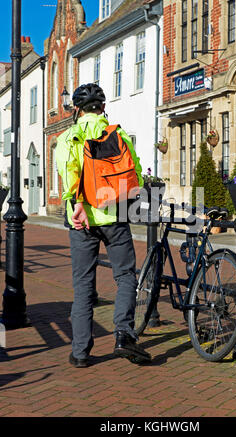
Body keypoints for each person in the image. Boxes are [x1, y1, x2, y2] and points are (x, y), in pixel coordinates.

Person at [56, 83, 151, 368]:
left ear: (76, 110)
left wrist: (77, 204)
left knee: (83, 284)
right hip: (115, 215)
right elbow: (135, 173)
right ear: (103, 108)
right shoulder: (118, 133)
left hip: (81, 219)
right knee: (125, 277)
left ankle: (81, 352)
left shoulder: (68, 137)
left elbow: (68, 175)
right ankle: (123, 334)